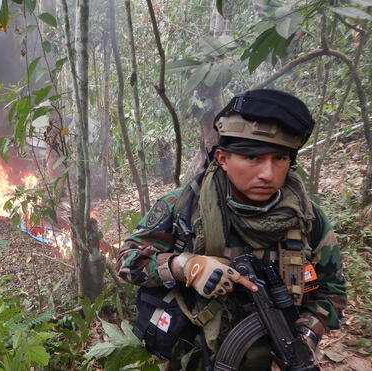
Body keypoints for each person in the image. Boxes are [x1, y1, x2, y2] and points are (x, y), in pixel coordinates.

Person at [116, 89, 346, 370]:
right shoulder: (183, 206)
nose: (268, 173)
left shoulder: (307, 218)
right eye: (253, 158)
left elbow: (332, 290)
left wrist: (303, 337)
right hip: (195, 357)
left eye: (280, 159)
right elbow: (127, 262)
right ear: (223, 159)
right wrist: (184, 266)